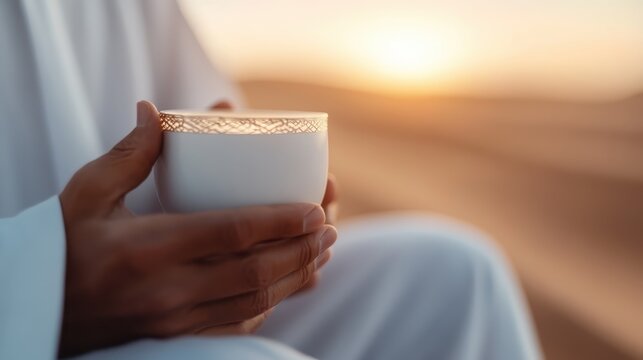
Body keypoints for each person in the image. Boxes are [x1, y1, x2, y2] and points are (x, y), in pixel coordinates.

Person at [0, 1, 541, 359]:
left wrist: (274, 237)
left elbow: (208, 115)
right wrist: (41, 286)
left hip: (158, 297)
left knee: (456, 273)